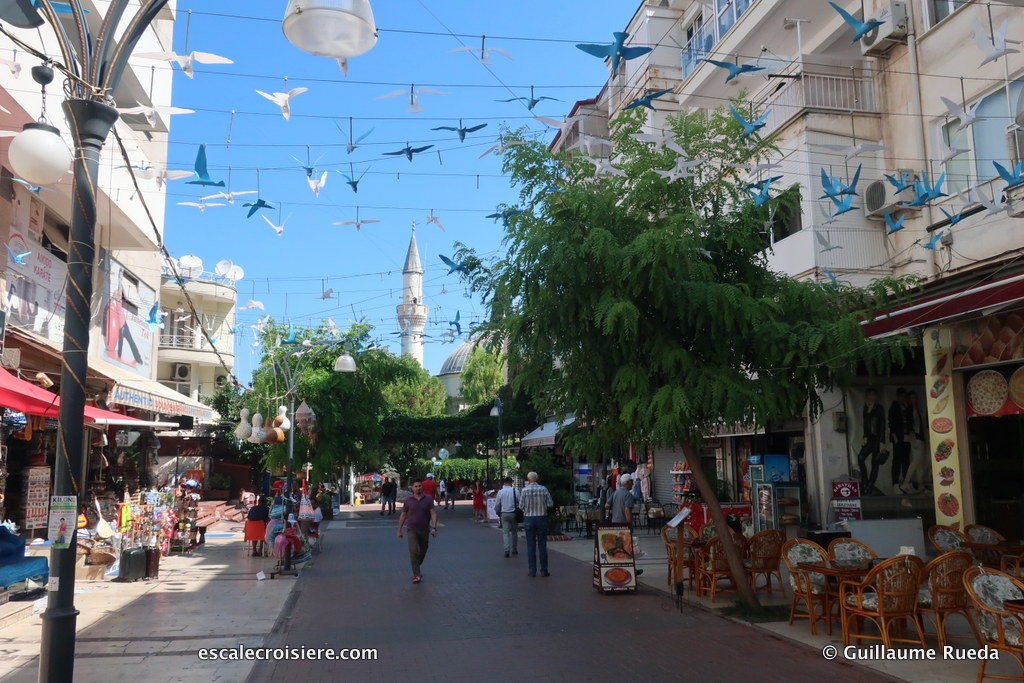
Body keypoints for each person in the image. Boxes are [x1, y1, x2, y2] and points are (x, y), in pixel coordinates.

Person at [396, 479, 437, 583]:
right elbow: (403, 514)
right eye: (416, 486)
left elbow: (433, 513)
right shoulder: (408, 500)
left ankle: (416, 567)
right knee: (414, 552)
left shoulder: (428, 499)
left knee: (423, 550)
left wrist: (434, 527)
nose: (418, 488)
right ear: (412, 488)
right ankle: (416, 574)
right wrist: (399, 529)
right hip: (411, 530)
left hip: (424, 529)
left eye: (419, 486)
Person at [520, 471, 554, 578]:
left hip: (529, 518)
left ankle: (532, 571)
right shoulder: (543, 489)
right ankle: (544, 570)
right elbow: (550, 504)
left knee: (530, 545)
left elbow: (521, 506)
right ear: (537, 478)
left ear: (528, 479)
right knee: (542, 544)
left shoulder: (524, 490)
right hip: (541, 518)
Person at [856, 387, 886, 494]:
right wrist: (864, 436)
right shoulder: (866, 408)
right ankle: (865, 479)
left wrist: (882, 441)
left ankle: (870, 485)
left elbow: (883, 425)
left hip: (877, 439)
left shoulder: (879, 408)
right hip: (869, 438)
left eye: (874, 395)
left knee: (875, 463)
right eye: (870, 395)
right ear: (867, 396)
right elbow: (865, 423)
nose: (872, 397)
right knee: (861, 457)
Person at [888, 388, 914, 493]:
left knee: (906, 459)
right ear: (898, 396)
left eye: (904, 396)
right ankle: (895, 483)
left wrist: (907, 408)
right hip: (898, 436)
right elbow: (891, 421)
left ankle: (905, 483)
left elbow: (910, 421)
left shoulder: (907, 407)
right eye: (901, 396)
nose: (903, 398)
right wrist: (894, 436)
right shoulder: (894, 406)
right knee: (897, 460)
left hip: (906, 436)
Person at [494, 477, 520, 558]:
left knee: (505, 533)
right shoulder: (515, 491)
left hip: (504, 513)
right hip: (513, 513)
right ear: (510, 483)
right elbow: (520, 501)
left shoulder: (500, 492)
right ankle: (514, 549)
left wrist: (497, 511)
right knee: (514, 532)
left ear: (504, 483)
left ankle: (506, 550)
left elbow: (497, 504)